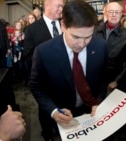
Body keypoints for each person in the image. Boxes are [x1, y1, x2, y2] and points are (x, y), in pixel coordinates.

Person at [30, 0, 108, 140]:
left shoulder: (101, 46)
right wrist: (53, 111)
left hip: (91, 114)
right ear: (63, 26)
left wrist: (99, 102)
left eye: (88, 36)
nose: (82, 44)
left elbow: (103, 78)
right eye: (76, 37)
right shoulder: (43, 52)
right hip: (61, 118)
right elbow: (37, 87)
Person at [95, 2, 126, 92]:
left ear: (121, 14)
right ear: (105, 13)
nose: (113, 15)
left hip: (113, 81)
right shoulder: (95, 30)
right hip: (96, 79)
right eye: (111, 11)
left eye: (117, 12)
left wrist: (117, 80)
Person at [23, 0, 64, 85]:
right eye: (58, 6)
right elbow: (28, 55)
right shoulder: (32, 29)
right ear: (47, 6)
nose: (61, 9)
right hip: (46, 81)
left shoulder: (67, 24)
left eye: (62, 6)